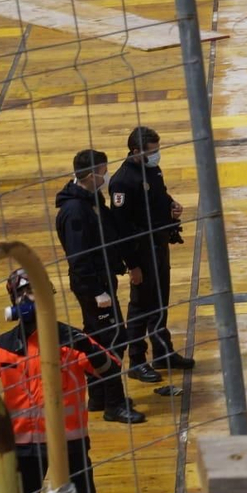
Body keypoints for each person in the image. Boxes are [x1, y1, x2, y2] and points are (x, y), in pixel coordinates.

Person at [0, 269, 120, 493]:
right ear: (13, 301)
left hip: (69, 443)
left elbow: (111, 370)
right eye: (22, 293)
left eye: (34, 291)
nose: (28, 298)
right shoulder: (3, 346)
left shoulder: (71, 339)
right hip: (24, 446)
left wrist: (87, 348)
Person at [55, 149, 145, 424]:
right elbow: (78, 257)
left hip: (103, 280)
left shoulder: (92, 200)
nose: (106, 177)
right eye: (103, 172)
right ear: (90, 174)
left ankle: (98, 396)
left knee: (96, 339)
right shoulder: (75, 211)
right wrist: (96, 291)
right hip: (93, 287)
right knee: (111, 341)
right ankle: (114, 404)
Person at [109, 126, 194, 382]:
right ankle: (136, 360)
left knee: (159, 302)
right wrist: (132, 265)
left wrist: (171, 205)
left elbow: (160, 195)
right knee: (140, 307)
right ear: (136, 151)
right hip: (140, 252)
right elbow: (121, 228)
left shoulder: (152, 170)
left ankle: (162, 351)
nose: (157, 155)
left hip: (158, 245)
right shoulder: (122, 182)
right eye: (152, 151)